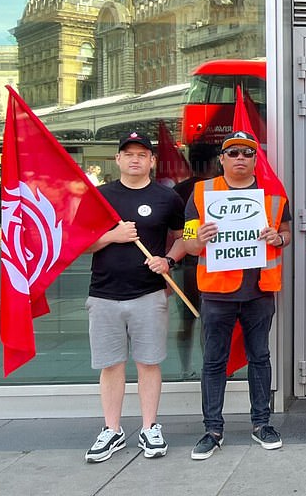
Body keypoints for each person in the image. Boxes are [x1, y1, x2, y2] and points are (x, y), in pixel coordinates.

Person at [183, 131, 292, 460]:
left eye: (247, 152)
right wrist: (198, 239)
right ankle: (212, 429)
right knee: (214, 362)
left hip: (259, 291)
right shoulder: (201, 193)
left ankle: (262, 424)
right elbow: (188, 243)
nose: (240, 158)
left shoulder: (272, 194)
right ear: (222, 159)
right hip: (217, 294)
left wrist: (279, 238)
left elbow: (287, 233)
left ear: (256, 158)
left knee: (260, 358)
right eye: (233, 153)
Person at [83, 132, 186, 463]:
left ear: (152, 161)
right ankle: (111, 430)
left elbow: (188, 234)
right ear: (117, 160)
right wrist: (113, 236)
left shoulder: (167, 198)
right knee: (111, 365)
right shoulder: (100, 197)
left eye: (142, 154)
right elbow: (80, 243)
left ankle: (149, 427)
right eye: (128, 154)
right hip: (103, 294)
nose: (135, 159)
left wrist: (169, 259)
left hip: (149, 293)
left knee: (149, 362)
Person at [172, 143, 221, 379]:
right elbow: (180, 235)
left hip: (187, 264)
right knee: (208, 321)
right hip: (201, 264)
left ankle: (185, 369)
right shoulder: (210, 189)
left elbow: (173, 235)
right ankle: (211, 369)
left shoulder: (180, 189)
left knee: (189, 320)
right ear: (215, 161)